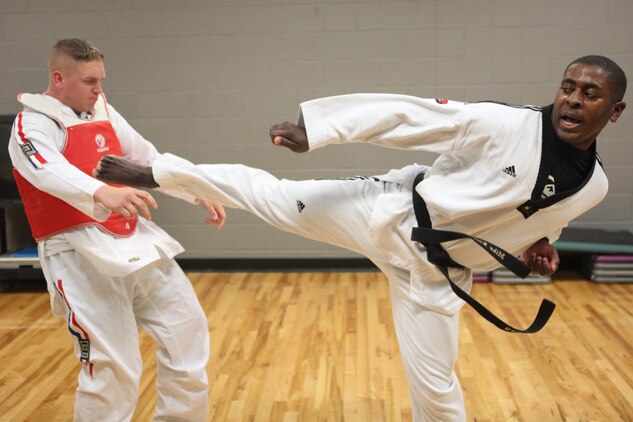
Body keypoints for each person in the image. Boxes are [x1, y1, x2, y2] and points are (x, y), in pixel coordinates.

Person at [93, 55, 626, 421]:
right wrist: (319, 130)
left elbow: (539, 222)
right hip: (388, 213)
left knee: (438, 389)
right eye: (568, 88)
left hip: (438, 277)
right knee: (273, 196)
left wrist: (539, 249)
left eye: (590, 94)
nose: (573, 101)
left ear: (614, 111)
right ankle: (157, 173)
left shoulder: (595, 187)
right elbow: (406, 116)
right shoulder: (505, 125)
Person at [8, 39, 226, 421]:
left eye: (101, 80)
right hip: (77, 252)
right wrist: (100, 190)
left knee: (187, 333)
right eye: (90, 81)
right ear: (59, 78)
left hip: (134, 242)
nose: (99, 89)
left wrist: (195, 189)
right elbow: (44, 169)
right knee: (114, 366)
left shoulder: (103, 110)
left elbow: (146, 158)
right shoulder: (31, 123)